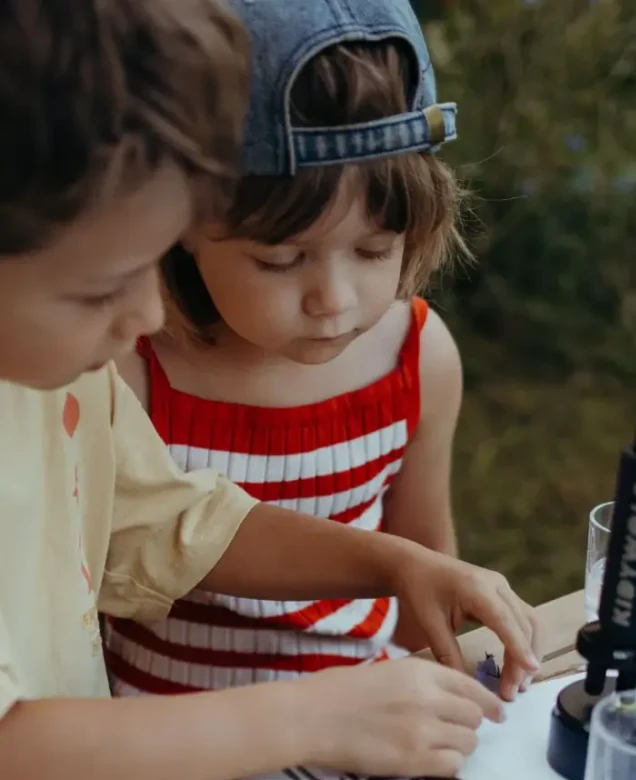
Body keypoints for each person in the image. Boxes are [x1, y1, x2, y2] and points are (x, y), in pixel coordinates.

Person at [0, 0, 541, 780]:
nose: (147, 313)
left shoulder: (58, 374)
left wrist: (397, 565)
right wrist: (316, 717)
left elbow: (171, 522)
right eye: (102, 289)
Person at [104, 0, 486, 692]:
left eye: (374, 250)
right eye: (280, 261)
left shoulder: (418, 357)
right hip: (162, 738)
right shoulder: (130, 366)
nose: (332, 300)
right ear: (184, 218)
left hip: (362, 725)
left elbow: (425, 569)